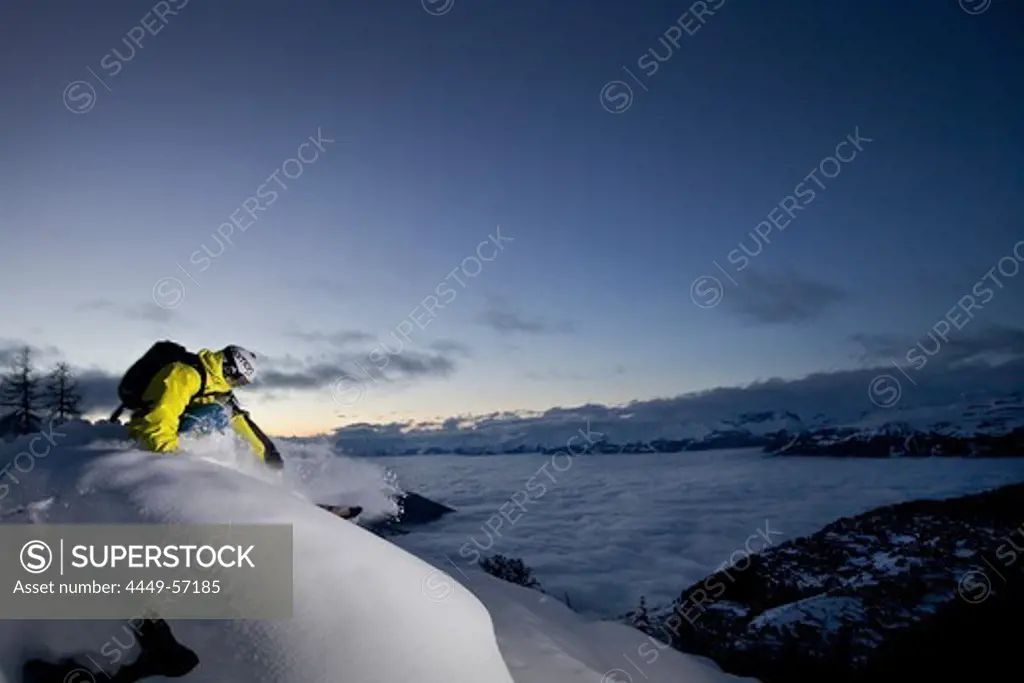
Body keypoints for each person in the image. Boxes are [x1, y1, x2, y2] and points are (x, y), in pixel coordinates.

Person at [111, 343, 283, 469]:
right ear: (229, 369)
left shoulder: (217, 387)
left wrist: (268, 453)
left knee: (222, 414)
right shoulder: (185, 375)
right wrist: (169, 458)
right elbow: (163, 413)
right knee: (214, 414)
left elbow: (241, 421)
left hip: (170, 431)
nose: (236, 385)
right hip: (147, 432)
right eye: (238, 380)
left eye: (241, 383)